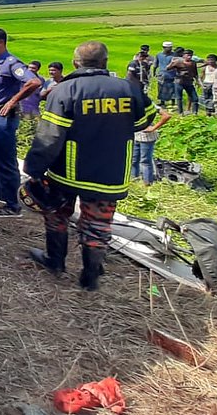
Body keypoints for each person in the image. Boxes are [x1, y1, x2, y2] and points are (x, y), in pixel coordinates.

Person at [23, 41, 155, 290]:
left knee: (56, 215)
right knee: (98, 224)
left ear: (75, 63)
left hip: (67, 173)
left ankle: (55, 262)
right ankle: (90, 277)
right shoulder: (128, 88)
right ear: (105, 62)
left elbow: (50, 136)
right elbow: (144, 121)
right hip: (110, 173)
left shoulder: (64, 90)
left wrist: (34, 169)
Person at [0, 28, 41, 218]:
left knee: (6, 162)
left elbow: (34, 83)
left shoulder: (11, 63)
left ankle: (12, 206)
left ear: (1, 42)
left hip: (2, 118)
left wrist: (13, 101)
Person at [127, 63, 172, 185]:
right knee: (134, 160)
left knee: (144, 161)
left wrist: (153, 128)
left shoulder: (148, 103)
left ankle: (147, 183)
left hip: (146, 136)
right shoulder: (138, 102)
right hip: (136, 134)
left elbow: (166, 115)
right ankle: (134, 181)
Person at [171, 49, 199, 115]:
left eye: (191, 55)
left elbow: (195, 73)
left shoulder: (193, 63)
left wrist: (198, 81)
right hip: (179, 82)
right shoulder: (178, 62)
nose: (189, 57)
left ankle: (195, 112)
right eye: (188, 55)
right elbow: (168, 68)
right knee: (179, 98)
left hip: (189, 82)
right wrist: (172, 63)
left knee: (195, 98)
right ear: (183, 56)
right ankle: (180, 112)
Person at [154, 41, 176, 106]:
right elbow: (155, 65)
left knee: (172, 89)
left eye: (170, 48)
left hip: (172, 75)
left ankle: (173, 103)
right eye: (168, 48)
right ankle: (162, 102)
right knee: (161, 88)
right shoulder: (159, 55)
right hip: (161, 75)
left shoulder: (174, 55)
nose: (170, 49)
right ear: (164, 47)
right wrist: (154, 73)